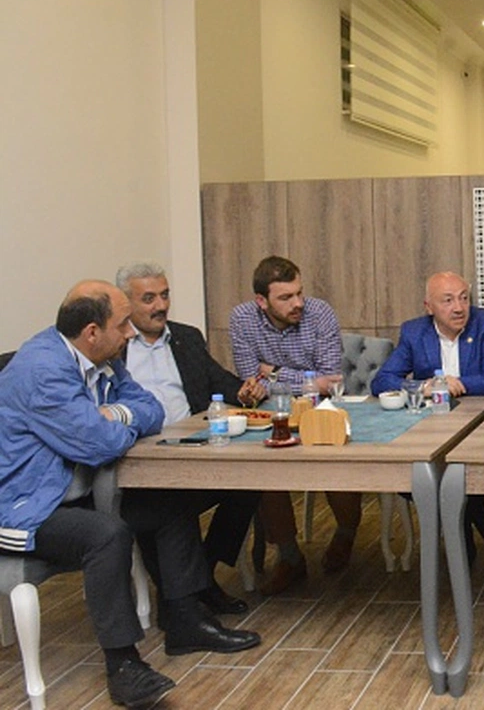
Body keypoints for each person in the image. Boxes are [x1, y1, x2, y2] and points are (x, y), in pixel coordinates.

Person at [0, 281, 260, 707]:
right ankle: (123, 665)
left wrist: (115, 414)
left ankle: (184, 618)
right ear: (92, 332)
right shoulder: (43, 370)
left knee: (168, 501)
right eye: (122, 325)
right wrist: (110, 425)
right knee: (105, 535)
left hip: (73, 493)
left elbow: (151, 408)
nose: (129, 334)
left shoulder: (103, 359)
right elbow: (99, 443)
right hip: (25, 506)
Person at [117, 262, 265, 616]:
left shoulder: (187, 337)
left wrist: (243, 392)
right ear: (125, 304)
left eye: (165, 295)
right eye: (149, 298)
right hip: (140, 462)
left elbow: (219, 380)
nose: (161, 306)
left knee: (250, 481)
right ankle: (190, 595)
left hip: (194, 450)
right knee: (166, 503)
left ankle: (205, 570)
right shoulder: (115, 346)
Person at [228, 255, 357, 595]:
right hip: (270, 415)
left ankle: (346, 534)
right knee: (265, 470)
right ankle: (289, 557)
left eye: (299, 293)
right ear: (262, 301)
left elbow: (329, 381)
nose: (298, 303)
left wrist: (273, 372)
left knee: (337, 460)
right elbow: (251, 381)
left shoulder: (320, 312)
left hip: (323, 411)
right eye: (285, 297)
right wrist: (295, 380)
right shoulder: (242, 319)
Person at [370, 271, 484, 561]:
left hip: (479, 428)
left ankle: (468, 552)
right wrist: (424, 386)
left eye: (464, 298)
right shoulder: (414, 332)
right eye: (448, 300)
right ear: (428, 307)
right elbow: (381, 381)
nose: (459, 308)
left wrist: (456, 383)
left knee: (457, 478)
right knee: (430, 479)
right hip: (430, 430)